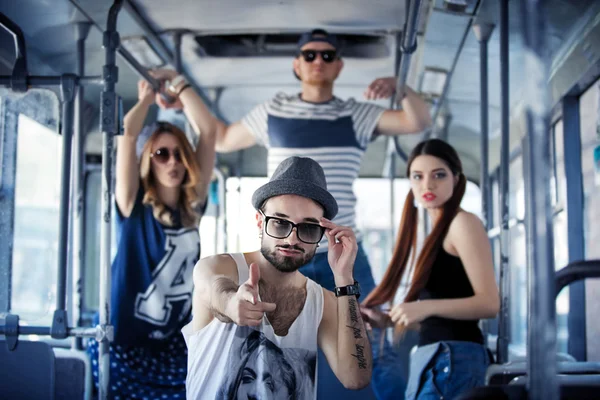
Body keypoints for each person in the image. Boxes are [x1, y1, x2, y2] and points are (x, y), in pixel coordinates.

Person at [153, 28, 432, 399]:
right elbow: (218, 137)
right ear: (297, 65)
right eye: (310, 55)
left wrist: (401, 87)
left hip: (335, 249)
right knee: (260, 338)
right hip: (280, 249)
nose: (319, 61)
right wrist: (182, 88)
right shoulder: (273, 111)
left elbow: (417, 122)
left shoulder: (357, 115)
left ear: (339, 66)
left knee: (373, 344)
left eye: (328, 56)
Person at [183, 156, 372, 400]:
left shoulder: (324, 303)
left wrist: (344, 277)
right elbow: (214, 289)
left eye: (307, 228)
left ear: (322, 234)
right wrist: (231, 303)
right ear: (260, 222)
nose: (292, 239)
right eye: (280, 223)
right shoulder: (218, 266)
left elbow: (355, 378)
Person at [86, 79, 217, 399]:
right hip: (126, 340)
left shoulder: (193, 206)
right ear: (148, 159)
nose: (172, 161)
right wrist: (146, 99)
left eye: (178, 153)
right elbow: (128, 134)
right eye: (161, 154)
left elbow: (209, 131)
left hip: (174, 337)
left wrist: (179, 84)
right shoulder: (133, 205)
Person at [361, 139, 500, 400]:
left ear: (457, 180)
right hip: (437, 358)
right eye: (418, 176)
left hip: (453, 359)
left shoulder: (463, 223)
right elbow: (441, 316)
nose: (427, 185)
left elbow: (489, 303)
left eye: (439, 175)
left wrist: (422, 308)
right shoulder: (434, 233)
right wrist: (389, 320)